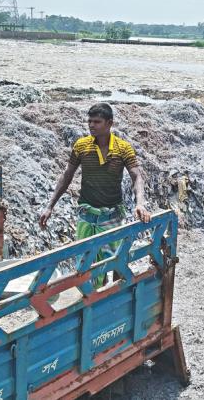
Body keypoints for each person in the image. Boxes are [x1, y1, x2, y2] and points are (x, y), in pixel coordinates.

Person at [39, 103, 151, 286]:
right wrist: (49, 206)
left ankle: (116, 297)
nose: (91, 125)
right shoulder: (81, 146)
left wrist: (140, 203)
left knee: (116, 261)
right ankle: (94, 302)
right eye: (89, 121)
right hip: (86, 215)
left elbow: (136, 176)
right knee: (86, 266)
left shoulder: (123, 148)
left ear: (109, 123)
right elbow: (67, 175)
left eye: (97, 122)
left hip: (111, 215)